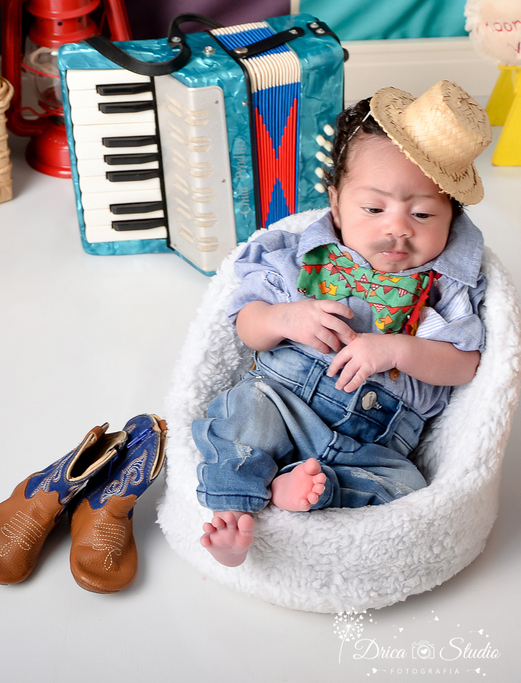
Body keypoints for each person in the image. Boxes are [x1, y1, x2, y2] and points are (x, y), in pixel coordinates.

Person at [193, 80, 493, 567]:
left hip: (373, 436)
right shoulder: (302, 257)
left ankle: (314, 486)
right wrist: (282, 317)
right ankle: (232, 509)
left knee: (407, 485)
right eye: (373, 209)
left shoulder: (447, 285)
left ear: (451, 219)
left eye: (421, 213)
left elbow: (464, 365)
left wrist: (397, 349)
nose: (397, 228)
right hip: (283, 398)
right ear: (336, 203)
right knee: (243, 411)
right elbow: (246, 325)